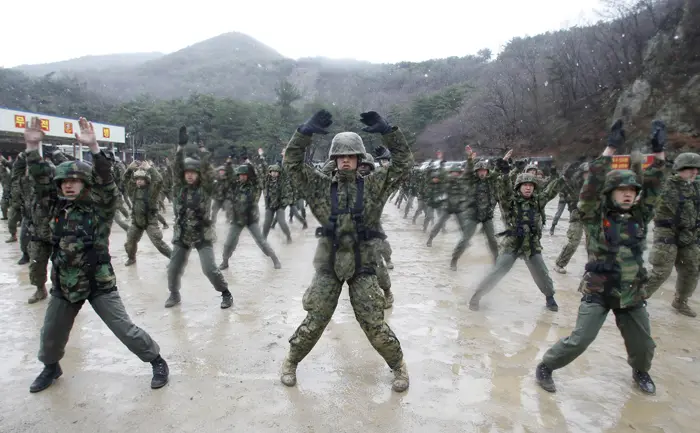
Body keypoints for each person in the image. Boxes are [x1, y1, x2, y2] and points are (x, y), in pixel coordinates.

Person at [24, 116, 168, 393]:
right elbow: (41, 180)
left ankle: (156, 361)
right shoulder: (56, 207)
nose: (68, 185)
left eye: (75, 181)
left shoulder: (99, 208)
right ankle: (51, 367)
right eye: (64, 181)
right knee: (51, 334)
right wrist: (32, 148)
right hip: (65, 283)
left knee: (125, 330)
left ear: (86, 184)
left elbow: (106, 182)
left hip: (98, 282)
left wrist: (94, 148)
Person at [279, 109, 412, 392]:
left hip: (363, 263)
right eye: (341, 156)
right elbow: (291, 164)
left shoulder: (374, 185)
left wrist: (389, 131)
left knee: (373, 323)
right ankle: (291, 361)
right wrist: (304, 133)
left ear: (360, 159)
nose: (346, 160)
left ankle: (398, 365)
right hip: (329, 262)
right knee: (315, 320)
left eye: (351, 156)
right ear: (335, 160)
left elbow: (404, 163)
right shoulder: (319, 186)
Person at [536, 119, 666, 395]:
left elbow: (655, 188)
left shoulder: (640, 217)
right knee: (580, 340)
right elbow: (591, 186)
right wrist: (610, 149)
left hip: (631, 291)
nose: (629, 195)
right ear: (611, 193)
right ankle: (546, 366)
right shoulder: (595, 217)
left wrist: (659, 152)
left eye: (632, 192)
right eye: (623, 191)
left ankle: (640, 372)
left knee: (643, 346)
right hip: (599, 289)